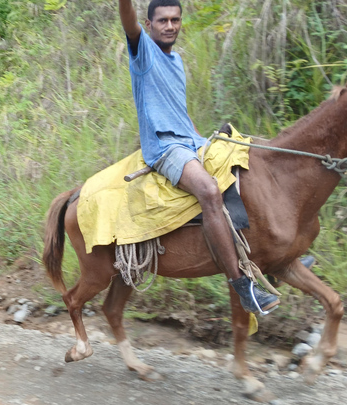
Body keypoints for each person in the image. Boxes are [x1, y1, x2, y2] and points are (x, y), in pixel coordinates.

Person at [118, 0, 279, 314]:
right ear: (149, 25)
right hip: (165, 148)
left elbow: (179, 111)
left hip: (191, 142)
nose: (170, 26)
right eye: (162, 20)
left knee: (246, 163)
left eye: (175, 20)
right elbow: (127, 20)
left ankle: (275, 257)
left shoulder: (176, 61)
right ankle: (243, 287)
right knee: (208, 190)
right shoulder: (144, 52)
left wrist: (203, 140)